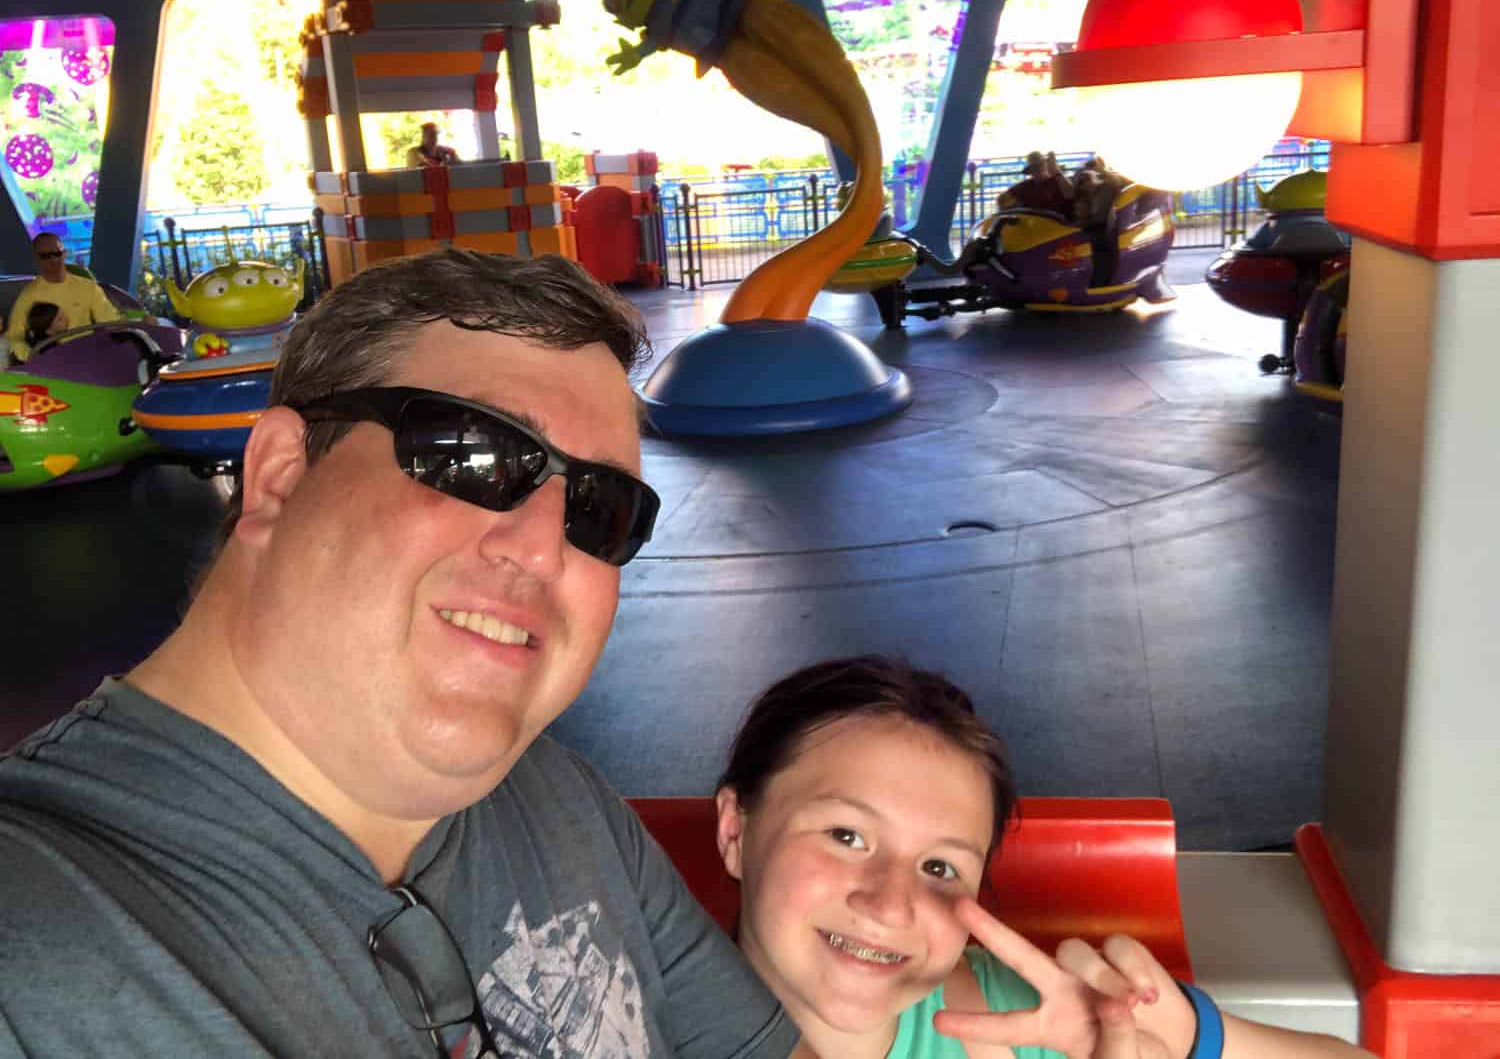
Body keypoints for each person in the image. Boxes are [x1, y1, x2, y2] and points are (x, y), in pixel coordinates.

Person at [0, 248, 800, 1058]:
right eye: (471, 454)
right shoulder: (35, 934)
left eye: (601, 508)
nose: (546, 550)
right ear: (280, 476)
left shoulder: (560, 803)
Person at [714, 656, 1376, 1059]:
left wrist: (1185, 1036)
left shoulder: (1022, 1021)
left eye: (939, 867)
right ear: (735, 829)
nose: (889, 904)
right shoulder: (626, 1022)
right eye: (846, 835)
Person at [3, 232, 119, 361]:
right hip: (54, 365)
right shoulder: (29, 295)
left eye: (57, 253)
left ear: (64, 254)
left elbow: (111, 321)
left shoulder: (89, 287)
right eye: (45, 256)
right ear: (36, 258)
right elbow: (14, 335)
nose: (53, 260)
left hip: (89, 358)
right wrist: (33, 358)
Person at [999, 151, 1074, 219]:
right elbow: (1001, 199)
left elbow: (1072, 195)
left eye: (1040, 165)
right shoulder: (1025, 186)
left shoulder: (1059, 181)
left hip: (1060, 226)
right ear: (1030, 171)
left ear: (1047, 165)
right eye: (1034, 167)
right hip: (1035, 227)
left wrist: (1057, 173)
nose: (1038, 169)